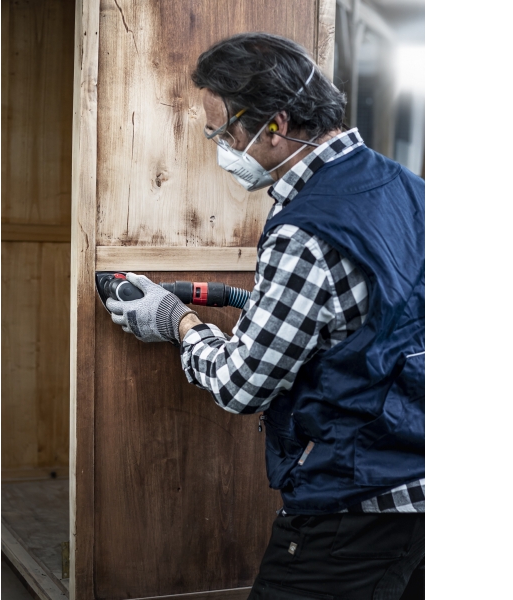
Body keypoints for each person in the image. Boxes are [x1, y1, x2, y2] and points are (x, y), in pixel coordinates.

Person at [106, 33, 425, 600]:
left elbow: (241, 386)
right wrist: (249, 304)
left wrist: (176, 320)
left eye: (223, 133)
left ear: (274, 125)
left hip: (354, 506)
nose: (221, 148)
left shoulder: (305, 230)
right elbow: (381, 320)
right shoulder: (411, 188)